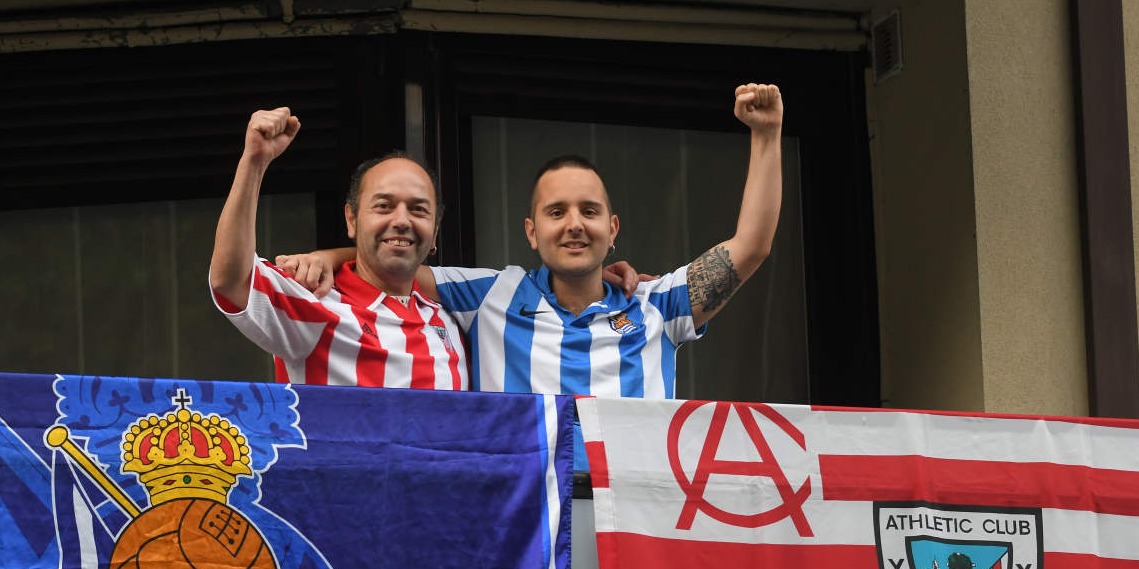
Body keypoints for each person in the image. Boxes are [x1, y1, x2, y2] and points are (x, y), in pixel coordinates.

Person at [278, 82, 783, 398]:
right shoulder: (489, 294)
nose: (574, 225)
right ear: (531, 230)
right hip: (524, 533)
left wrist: (766, 136)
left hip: (629, 531)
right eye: (556, 212)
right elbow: (394, 257)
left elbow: (751, 246)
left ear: (613, 230)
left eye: (589, 212)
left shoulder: (655, 306)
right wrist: (330, 254)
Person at [209, 108, 468, 389]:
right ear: (352, 220)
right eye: (384, 206)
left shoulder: (455, 315)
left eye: (418, 210)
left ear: (435, 233)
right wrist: (254, 163)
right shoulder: (317, 300)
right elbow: (231, 279)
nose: (402, 220)